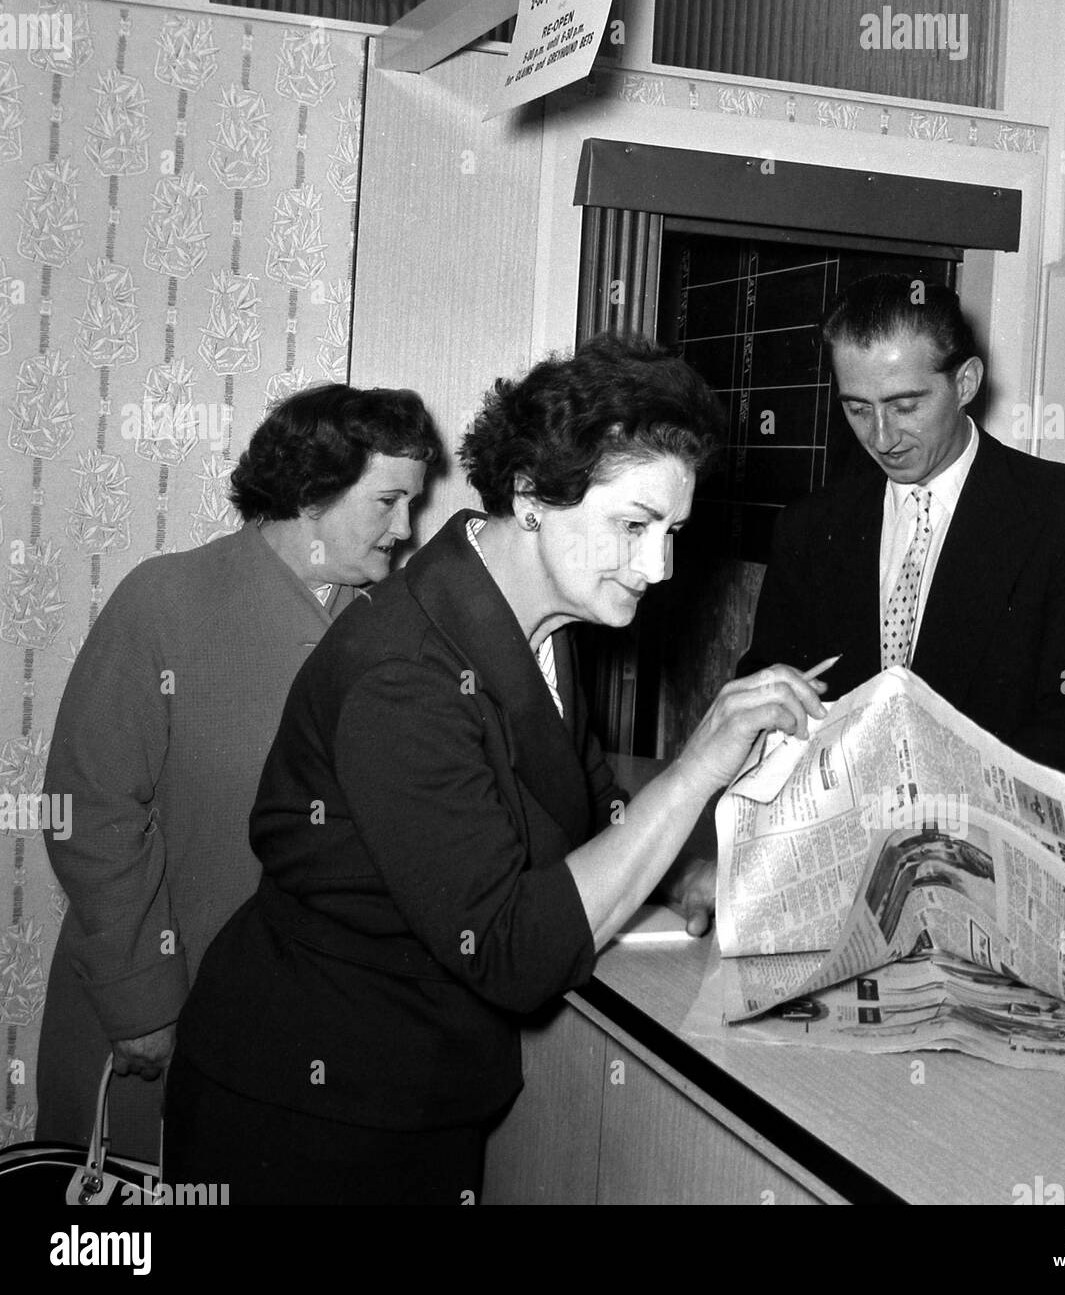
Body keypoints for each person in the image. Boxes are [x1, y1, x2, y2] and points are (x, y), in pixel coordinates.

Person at [161, 333, 828, 1204]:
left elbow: (581, 811)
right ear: (531, 497)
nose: (659, 566)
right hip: (310, 1110)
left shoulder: (537, 621)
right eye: (633, 525)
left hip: (414, 1089)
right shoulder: (405, 669)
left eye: (672, 532)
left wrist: (683, 873)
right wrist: (697, 769)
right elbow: (511, 948)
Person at [36, 383, 442, 1163]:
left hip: (308, 1036)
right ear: (312, 492)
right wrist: (141, 1003)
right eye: (387, 501)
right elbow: (87, 812)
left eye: (413, 504)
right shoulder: (166, 600)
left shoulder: (391, 626)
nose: (405, 529)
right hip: (163, 1017)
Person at [739, 274, 1065, 807]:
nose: (881, 437)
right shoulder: (811, 528)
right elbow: (768, 685)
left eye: (905, 405)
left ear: (966, 383)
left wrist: (943, 798)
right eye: (858, 408)